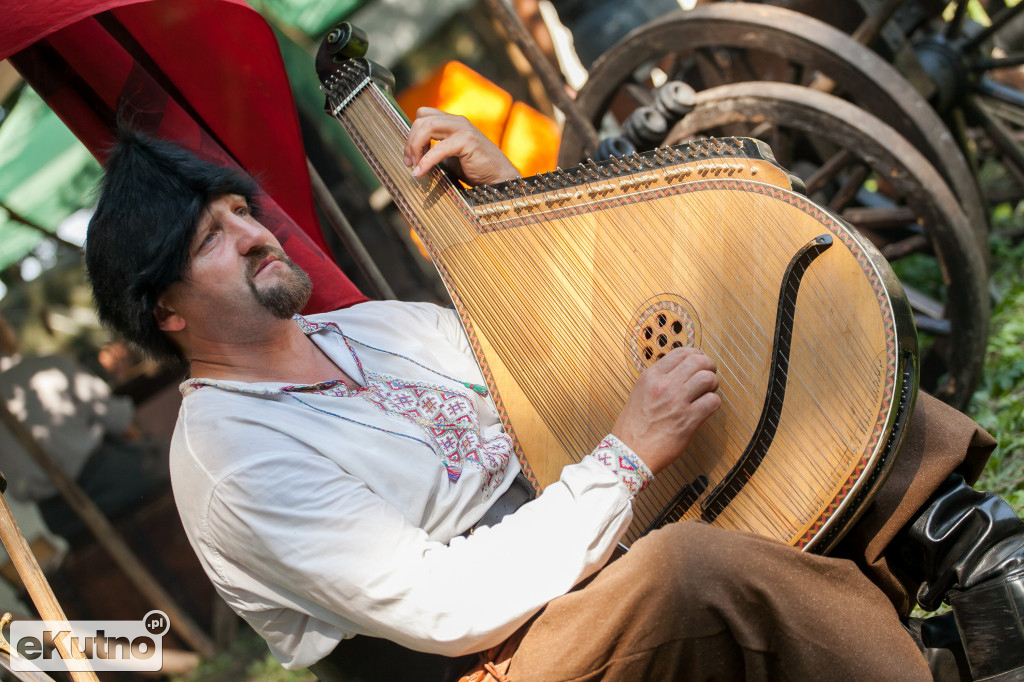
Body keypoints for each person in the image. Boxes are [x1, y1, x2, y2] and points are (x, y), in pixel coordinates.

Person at [83, 110, 1024, 681]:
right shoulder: (231, 460)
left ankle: (988, 576)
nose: (253, 234)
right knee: (684, 572)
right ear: (164, 308)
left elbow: (559, 359)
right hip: (490, 659)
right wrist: (621, 459)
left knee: (764, 373)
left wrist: (515, 196)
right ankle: (929, 672)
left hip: (575, 543)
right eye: (213, 235)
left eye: (242, 209)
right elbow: (442, 607)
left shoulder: (363, 330)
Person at [0, 313, 167, 543]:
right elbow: (118, 419)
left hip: (62, 519)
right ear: (5, 332)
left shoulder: (42, 367)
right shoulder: (44, 367)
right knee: (169, 458)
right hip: (110, 482)